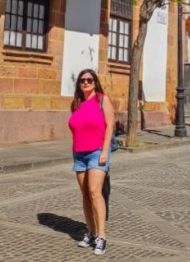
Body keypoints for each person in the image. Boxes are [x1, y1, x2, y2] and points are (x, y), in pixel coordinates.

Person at [68, 69, 114, 255]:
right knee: (86, 194)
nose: (86, 83)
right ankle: (91, 232)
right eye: (82, 80)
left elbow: (110, 125)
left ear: (95, 82)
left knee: (95, 192)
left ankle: (102, 237)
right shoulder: (76, 104)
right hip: (79, 154)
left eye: (89, 80)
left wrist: (104, 151)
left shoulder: (102, 100)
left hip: (97, 152)